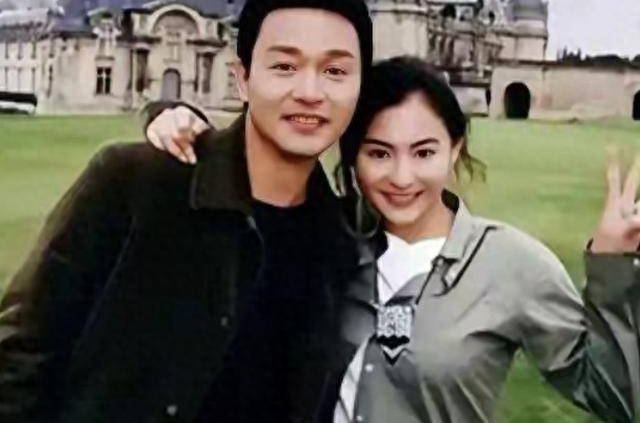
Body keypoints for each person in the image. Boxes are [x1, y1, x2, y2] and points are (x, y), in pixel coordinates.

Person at [148, 57, 640, 423]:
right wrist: (173, 116)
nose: (402, 177)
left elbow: (614, 397)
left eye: (424, 153)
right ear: (353, 160)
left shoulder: (512, 265)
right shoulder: (329, 238)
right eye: (379, 154)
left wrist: (613, 268)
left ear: (455, 150)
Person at [0, 0, 372, 423]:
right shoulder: (134, 183)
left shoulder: (345, 240)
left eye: (335, 71)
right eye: (284, 67)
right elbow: (20, 354)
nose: (310, 92)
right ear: (242, 79)